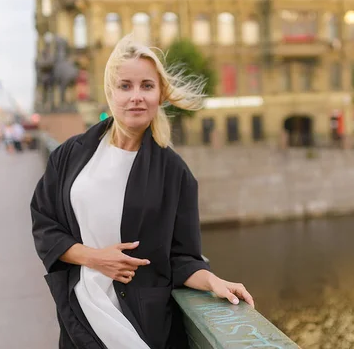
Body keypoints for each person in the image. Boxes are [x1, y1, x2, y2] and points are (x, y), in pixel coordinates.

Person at [30, 35, 254, 349]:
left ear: (160, 94)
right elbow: (45, 226)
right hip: (81, 316)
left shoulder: (175, 173)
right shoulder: (70, 155)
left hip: (141, 326)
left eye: (147, 86)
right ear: (110, 92)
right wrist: (95, 258)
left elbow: (182, 258)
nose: (136, 96)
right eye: (125, 86)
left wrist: (213, 281)